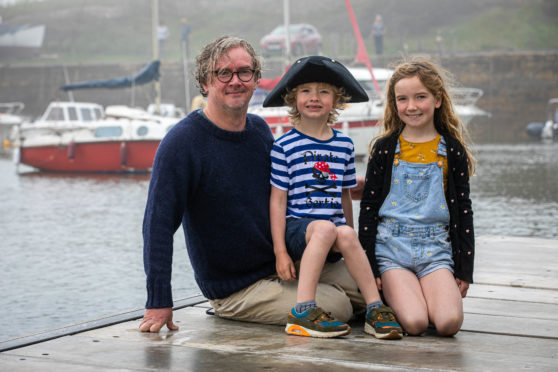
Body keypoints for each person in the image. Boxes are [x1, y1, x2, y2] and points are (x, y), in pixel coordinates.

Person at [139, 36, 365, 333]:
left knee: (372, 288)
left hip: (282, 263)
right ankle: (242, 310)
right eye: (223, 73)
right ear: (205, 83)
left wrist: (339, 184)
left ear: (256, 79)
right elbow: (157, 224)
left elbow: (284, 189)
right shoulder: (182, 143)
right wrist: (158, 300)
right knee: (338, 306)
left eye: (244, 72)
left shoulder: (259, 130)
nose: (235, 81)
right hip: (236, 287)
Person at [264, 56, 403, 339]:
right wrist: (279, 251)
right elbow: (277, 201)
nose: (314, 98)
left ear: (336, 100)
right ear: (293, 98)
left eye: (324, 91)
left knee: (346, 234)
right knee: (326, 228)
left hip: (329, 229)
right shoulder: (283, 146)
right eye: (305, 91)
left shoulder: (344, 144)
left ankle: (374, 310)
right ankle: (303, 310)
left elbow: (344, 195)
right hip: (297, 227)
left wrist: (347, 237)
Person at [358, 58, 475, 337]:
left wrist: (464, 269)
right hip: (392, 251)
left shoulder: (452, 150)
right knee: (415, 323)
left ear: (437, 99)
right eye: (403, 99)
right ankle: (404, 297)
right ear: (394, 103)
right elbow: (369, 209)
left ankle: (428, 294)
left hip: (435, 252)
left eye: (420, 97)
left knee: (448, 324)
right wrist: (370, 267)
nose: (411, 106)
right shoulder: (385, 149)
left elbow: (464, 211)